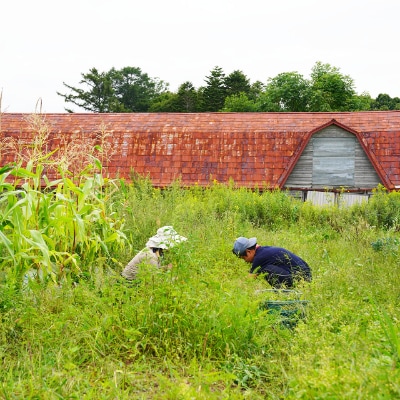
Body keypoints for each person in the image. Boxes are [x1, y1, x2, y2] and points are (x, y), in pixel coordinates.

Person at [232, 236, 311, 288]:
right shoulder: (263, 250)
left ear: (249, 252)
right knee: (264, 269)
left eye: (243, 258)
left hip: (302, 279)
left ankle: (284, 293)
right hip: (305, 275)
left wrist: (234, 285)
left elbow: (249, 278)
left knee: (265, 270)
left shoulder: (259, 258)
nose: (245, 261)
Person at [121, 226, 187, 281]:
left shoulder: (156, 251)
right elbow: (154, 280)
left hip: (137, 280)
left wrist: (166, 267)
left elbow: (155, 269)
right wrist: (174, 279)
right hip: (128, 283)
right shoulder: (150, 255)